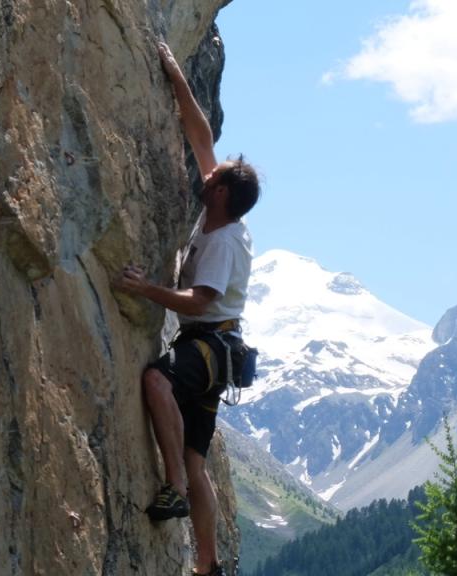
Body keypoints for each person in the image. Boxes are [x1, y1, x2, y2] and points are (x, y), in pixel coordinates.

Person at [113, 41, 260, 576]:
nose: (206, 173)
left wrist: (145, 289)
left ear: (220, 193)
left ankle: (172, 488)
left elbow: (199, 300)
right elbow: (202, 136)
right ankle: (206, 565)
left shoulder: (222, 242)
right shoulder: (223, 215)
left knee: (156, 382)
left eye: (214, 176)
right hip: (218, 353)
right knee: (200, 459)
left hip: (207, 342)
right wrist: (176, 73)